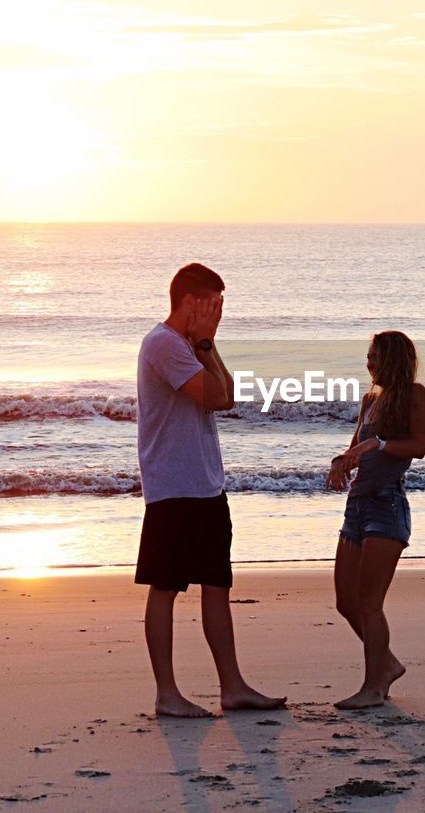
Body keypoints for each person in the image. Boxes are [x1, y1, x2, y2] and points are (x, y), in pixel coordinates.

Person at [134, 262, 286, 718]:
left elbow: (230, 394)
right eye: (214, 305)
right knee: (165, 587)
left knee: (217, 584)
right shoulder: (164, 344)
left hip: (204, 485)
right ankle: (167, 693)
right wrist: (203, 343)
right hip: (174, 488)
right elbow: (215, 397)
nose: (220, 313)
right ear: (191, 302)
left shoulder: (191, 345)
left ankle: (232, 686)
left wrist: (208, 343)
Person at [326, 331, 425, 710]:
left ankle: (373, 687)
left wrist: (380, 444)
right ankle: (385, 664)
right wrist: (342, 460)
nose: (367, 363)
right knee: (345, 601)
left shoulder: (414, 395)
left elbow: (418, 447)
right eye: (367, 356)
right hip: (357, 506)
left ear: (391, 358)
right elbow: (358, 446)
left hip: (387, 506)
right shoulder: (371, 399)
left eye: (373, 356)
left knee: (370, 603)